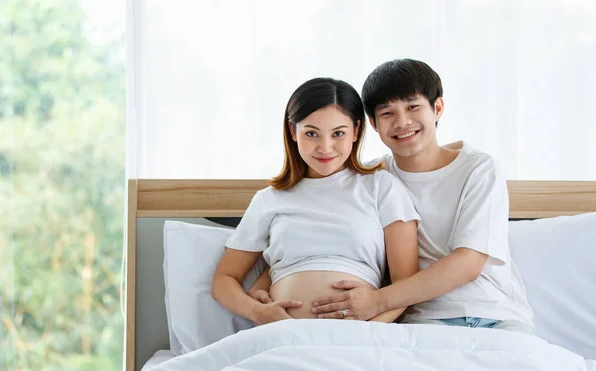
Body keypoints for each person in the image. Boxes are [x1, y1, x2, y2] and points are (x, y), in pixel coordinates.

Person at [310, 59, 535, 334]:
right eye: (387, 113)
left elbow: (468, 263)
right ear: (373, 123)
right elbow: (313, 216)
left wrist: (377, 301)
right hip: (423, 320)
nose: (402, 122)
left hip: (496, 315)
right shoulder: (371, 178)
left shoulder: (478, 168)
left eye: (413, 107)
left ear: (437, 108)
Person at [211, 77, 421, 326]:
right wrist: (257, 312)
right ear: (293, 132)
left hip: (357, 338)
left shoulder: (381, 187)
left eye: (338, 133)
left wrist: (370, 329)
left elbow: (406, 283)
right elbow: (224, 279)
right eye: (311, 133)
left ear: (356, 131)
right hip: (282, 338)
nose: (325, 147)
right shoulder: (269, 200)